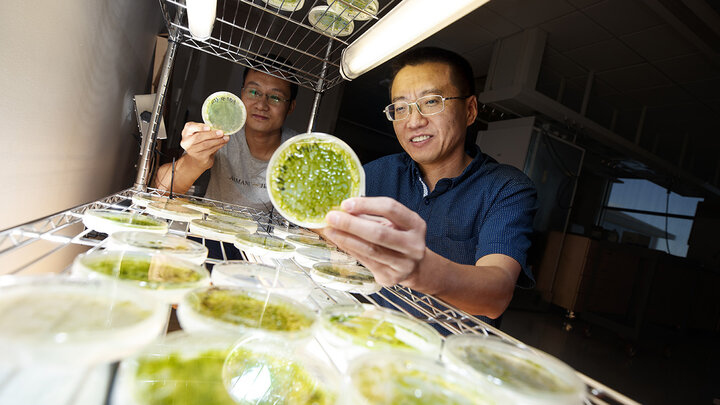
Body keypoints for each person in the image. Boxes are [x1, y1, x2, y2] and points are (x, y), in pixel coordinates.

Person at [321, 47, 537, 324]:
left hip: (445, 353)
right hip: (367, 330)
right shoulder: (376, 173)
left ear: (470, 110)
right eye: (400, 108)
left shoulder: (506, 188)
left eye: (432, 102)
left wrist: (420, 269)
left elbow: (496, 294)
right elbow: (324, 223)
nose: (413, 121)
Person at [153, 59, 298, 214]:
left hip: (267, 238)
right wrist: (195, 161)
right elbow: (162, 190)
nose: (261, 105)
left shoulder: (300, 149)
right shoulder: (221, 131)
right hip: (208, 232)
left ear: (291, 106)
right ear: (242, 94)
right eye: (254, 92)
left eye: (275, 97)